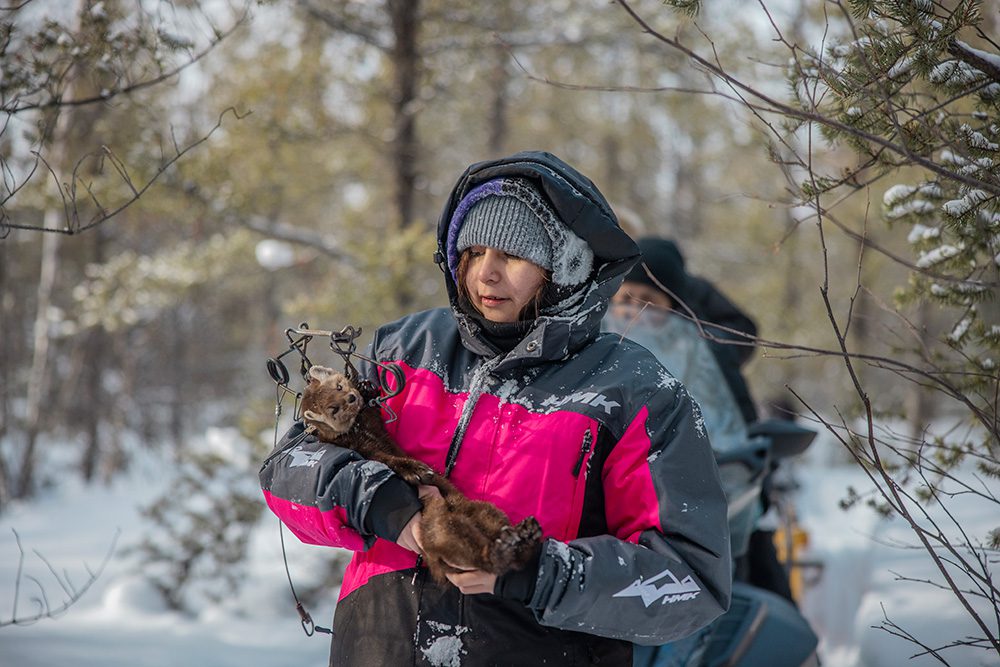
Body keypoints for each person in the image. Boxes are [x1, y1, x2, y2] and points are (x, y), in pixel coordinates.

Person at [259, 151, 732, 666]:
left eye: (513, 255)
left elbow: (688, 582)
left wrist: (536, 573)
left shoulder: (633, 390)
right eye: (474, 250)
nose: (485, 274)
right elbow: (288, 470)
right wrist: (393, 511)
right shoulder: (404, 351)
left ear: (566, 266)